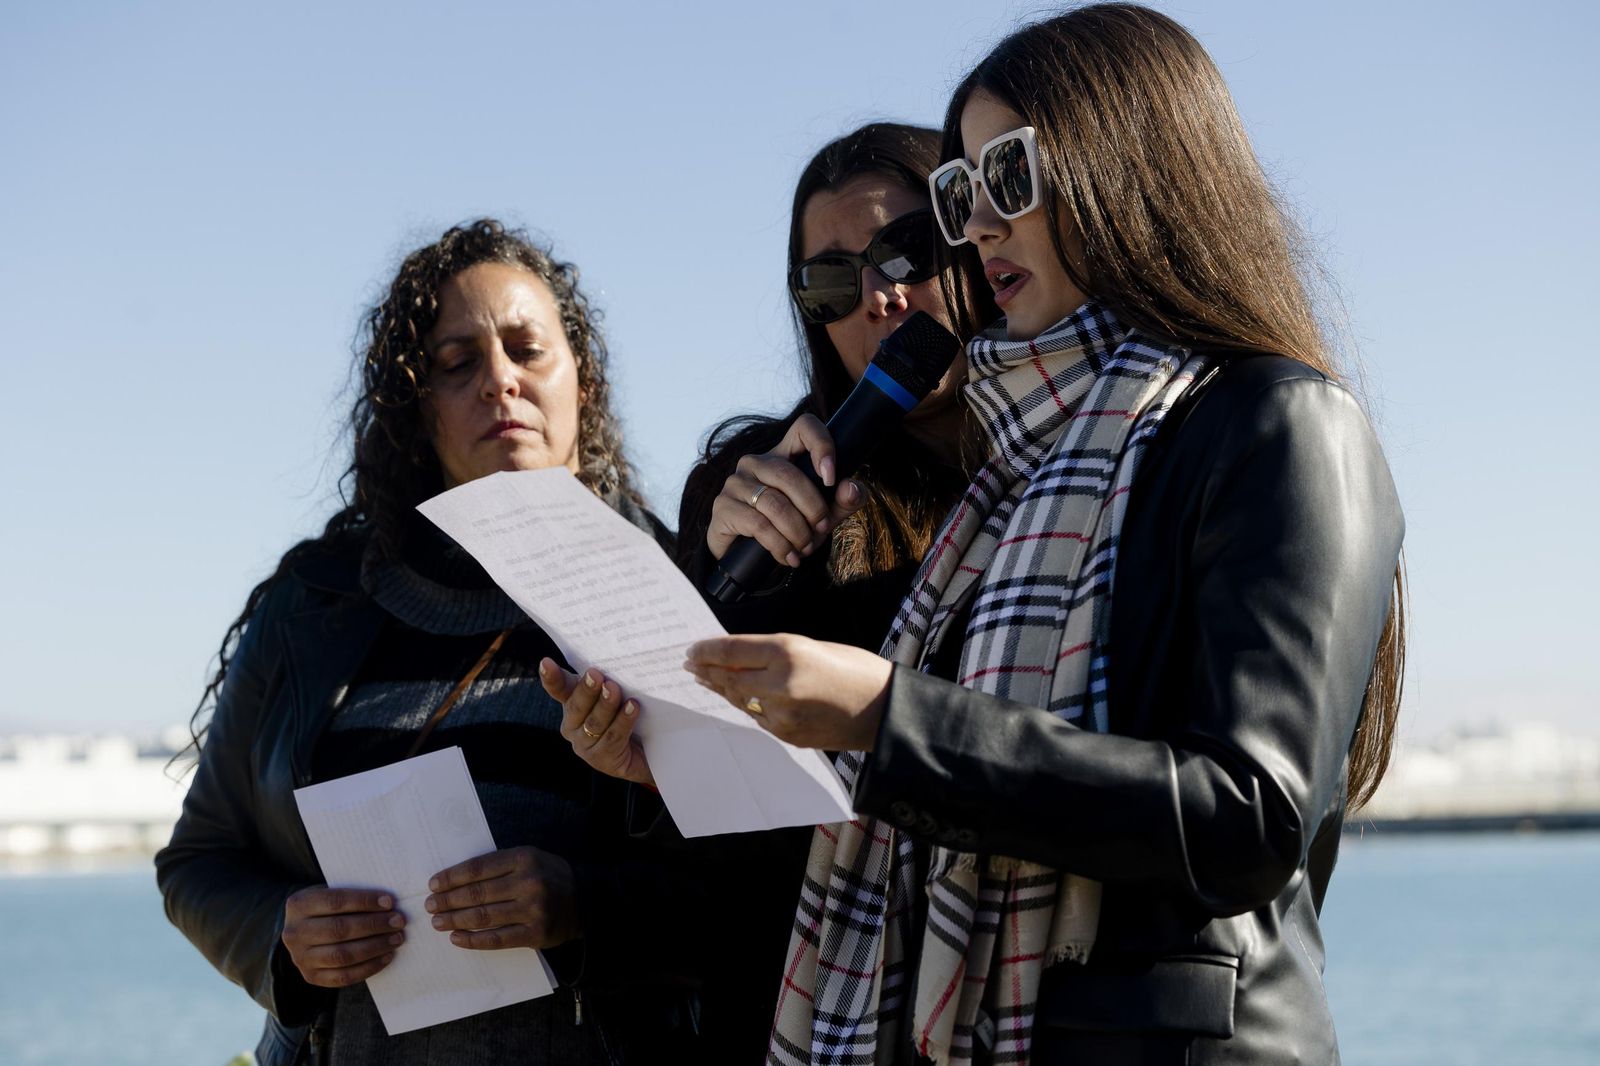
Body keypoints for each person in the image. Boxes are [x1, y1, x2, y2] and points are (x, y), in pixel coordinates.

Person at [681, 6, 1408, 1064]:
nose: (978, 226)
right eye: (961, 191)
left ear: (1129, 169)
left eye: (1008, 177)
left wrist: (891, 719)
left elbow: (1249, 816)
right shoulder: (1016, 469)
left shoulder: (1280, 421)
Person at [156, 219, 698, 1066]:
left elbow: (762, 881)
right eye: (457, 363)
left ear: (583, 383)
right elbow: (199, 862)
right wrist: (283, 939)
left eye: (528, 351)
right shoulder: (314, 605)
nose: (500, 381)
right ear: (418, 409)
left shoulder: (674, 591)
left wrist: (583, 907)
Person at [544, 123, 996, 1062]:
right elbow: (717, 869)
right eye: (831, 282)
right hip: (807, 1013)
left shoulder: (1079, 471)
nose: (879, 298)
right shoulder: (749, 490)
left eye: (906, 250)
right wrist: (651, 757)